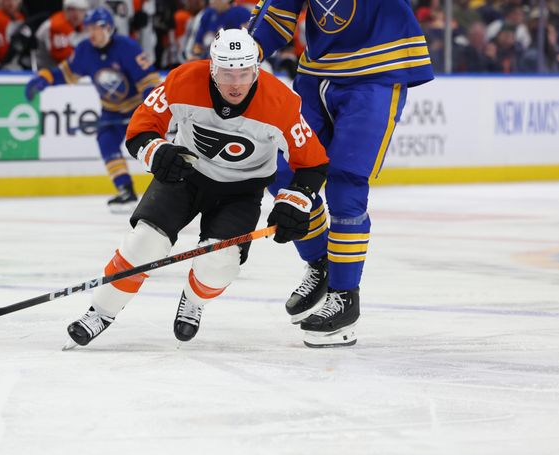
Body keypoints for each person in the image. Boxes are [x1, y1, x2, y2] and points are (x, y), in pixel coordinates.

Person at [65, 28, 329, 348]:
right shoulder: (185, 79)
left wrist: (296, 200)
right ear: (212, 67)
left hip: (241, 191)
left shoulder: (281, 102)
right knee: (144, 243)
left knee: (219, 264)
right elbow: (141, 128)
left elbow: (312, 162)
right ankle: (101, 312)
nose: (235, 84)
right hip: (185, 175)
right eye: (226, 73)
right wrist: (157, 152)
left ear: (256, 69)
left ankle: (193, 300)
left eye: (244, 73)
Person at [249, 0, 434, 347]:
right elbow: (278, 13)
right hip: (317, 74)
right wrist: (249, 47)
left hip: (378, 73)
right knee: (280, 167)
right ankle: (321, 261)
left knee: (345, 185)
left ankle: (344, 296)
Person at [25, 7, 162, 212]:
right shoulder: (84, 50)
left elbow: (149, 81)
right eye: (88, 28)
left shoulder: (128, 47)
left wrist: (148, 109)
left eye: (95, 28)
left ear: (108, 28)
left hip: (138, 108)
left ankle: (169, 189)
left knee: (149, 148)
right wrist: (46, 78)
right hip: (111, 110)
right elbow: (67, 73)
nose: (91, 33)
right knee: (105, 141)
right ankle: (126, 191)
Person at [34, 0, 89, 69]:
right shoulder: (56, 26)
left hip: (69, 70)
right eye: (72, 10)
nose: (77, 15)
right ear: (65, 10)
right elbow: (63, 58)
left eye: (81, 10)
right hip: (50, 70)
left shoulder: (86, 25)